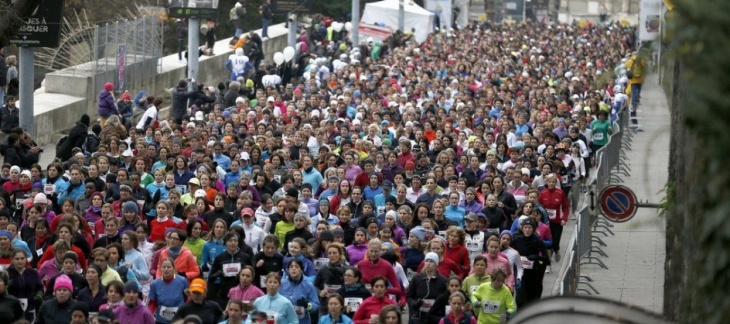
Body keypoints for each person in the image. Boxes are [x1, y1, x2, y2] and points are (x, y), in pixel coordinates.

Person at [407, 252, 448, 324]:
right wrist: (414, 303)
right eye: (426, 261)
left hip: (435, 316)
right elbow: (409, 296)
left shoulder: (443, 280)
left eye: (431, 261)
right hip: (419, 316)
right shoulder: (416, 278)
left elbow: (446, 299)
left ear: (436, 264)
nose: (428, 263)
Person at [279, 258, 319, 324]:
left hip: (302, 321)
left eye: (296, 267)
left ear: (301, 270)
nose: (293, 269)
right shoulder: (281, 284)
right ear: (288, 270)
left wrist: (307, 305)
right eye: (291, 267)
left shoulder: (308, 285)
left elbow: (316, 305)